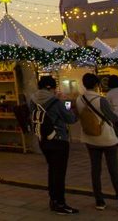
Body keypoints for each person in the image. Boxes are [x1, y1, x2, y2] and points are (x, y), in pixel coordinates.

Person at [76, 74, 118, 212]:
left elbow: (75, 114)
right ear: (97, 84)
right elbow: (112, 117)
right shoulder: (100, 100)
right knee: (113, 170)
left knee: (95, 170)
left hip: (89, 138)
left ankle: (99, 201)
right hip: (106, 138)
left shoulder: (79, 99)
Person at [30, 75, 79, 215]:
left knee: (52, 170)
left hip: (43, 139)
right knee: (59, 172)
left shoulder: (32, 100)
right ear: (51, 87)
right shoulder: (55, 101)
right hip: (58, 139)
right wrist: (67, 106)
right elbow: (70, 119)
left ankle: (53, 200)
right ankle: (60, 203)